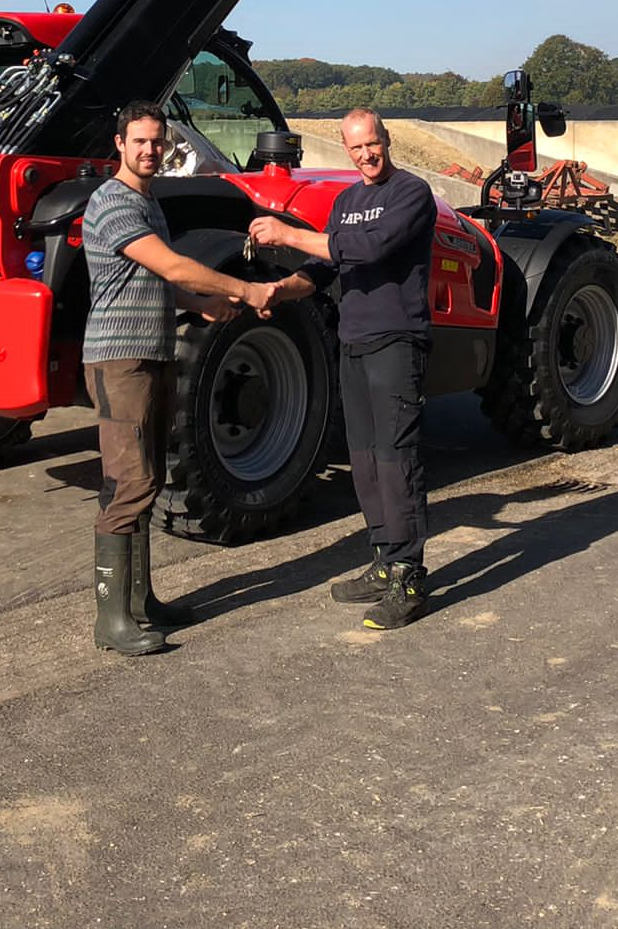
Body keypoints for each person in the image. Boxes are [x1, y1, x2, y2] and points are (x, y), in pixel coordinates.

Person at [82, 100, 277, 655]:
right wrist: (241, 289)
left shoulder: (149, 202)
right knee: (131, 482)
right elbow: (168, 264)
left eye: (156, 141)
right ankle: (111, 620)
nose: (149, 150)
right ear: (119, 145)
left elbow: (155, 281)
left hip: (152, 350)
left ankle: (141, 602)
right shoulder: (114, 201)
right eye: (139, 141)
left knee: (145, 476)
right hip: (121, 358)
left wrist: (199, 303)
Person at [248, 107, 437, 630]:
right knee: (366, 458)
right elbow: (325, 265)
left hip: (398, 339)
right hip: (353, 342)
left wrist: (287, 233)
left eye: (372, 144)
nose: (366, 155)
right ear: (346, 150)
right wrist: (279, 291)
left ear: (387, 139)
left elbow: (367, 247)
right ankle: (383, 559)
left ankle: (410, 577)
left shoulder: (410, 193)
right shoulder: (348, 200)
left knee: (398, 457)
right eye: (355, 148)